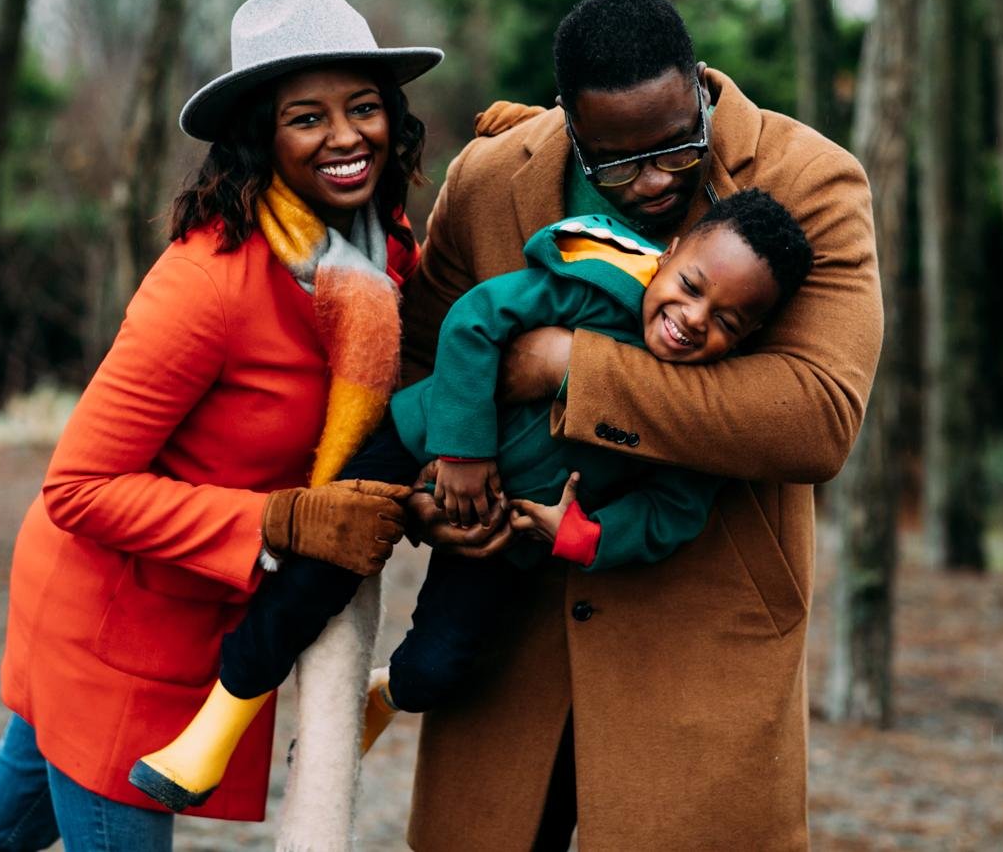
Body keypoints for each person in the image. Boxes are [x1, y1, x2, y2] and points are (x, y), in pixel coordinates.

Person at [0, 0, 440, 852]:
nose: (347, 136)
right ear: (259, 138)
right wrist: (283, 517)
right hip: (116, 635)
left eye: (364, 106)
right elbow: (76, 487)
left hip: (196, 622)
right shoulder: (206, 283)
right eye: (307, 117)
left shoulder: (380, 254)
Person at [398, 0, 884, 851]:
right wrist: (434, 485)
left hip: (703, 623)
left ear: (699, 87)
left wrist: (570, 367)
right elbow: (420, 362)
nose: (652, 180)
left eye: (676, 149)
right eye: (619, 162)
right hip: (505, 627)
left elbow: (815, 415)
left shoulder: (812, 180)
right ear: (572, 122)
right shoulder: (487, 175)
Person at [132, 192, 814, 806]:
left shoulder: (707, 409)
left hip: (508, 528)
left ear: (749, 337)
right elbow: (475, 320)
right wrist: (462, 452)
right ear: (670, 255)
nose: (693, 318)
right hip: (419, 436)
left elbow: (675, 512)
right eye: (691, 286)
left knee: (443, 663)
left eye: (726, 319)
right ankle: (214, 729)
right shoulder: (598, 284)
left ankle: (388, 694)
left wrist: (574, 532)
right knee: (313, 572)